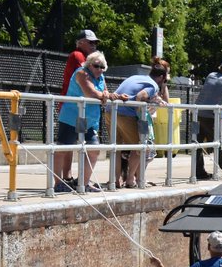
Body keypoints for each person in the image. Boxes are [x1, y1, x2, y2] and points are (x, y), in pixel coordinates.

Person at [56, 51, 125, 193]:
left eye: (102, 67)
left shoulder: (101, 77)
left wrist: (108, 95)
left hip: (90, 119)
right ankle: (57, 183)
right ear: (89, 64)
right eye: (96, 66)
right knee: (62, 149)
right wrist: (109, 96)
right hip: (71, 116)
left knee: (94, 150)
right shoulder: (82, 73)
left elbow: (104, 92)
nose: (99, 70)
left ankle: (84, 183)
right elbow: (91, 93)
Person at [110, 60, 170, 188]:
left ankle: (115, 180)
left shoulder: (137, 77)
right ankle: (131, 180)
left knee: (115, 147)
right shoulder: (153, 85)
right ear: (162, 77)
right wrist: (140, 115)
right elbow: (140, 96)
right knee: (140, 147)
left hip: (110, 111)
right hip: (125, 113)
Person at [53, 29, 99, 187]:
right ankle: (64, 178)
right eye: (91, 42)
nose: (94, 45)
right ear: (80, 43)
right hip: (72, 107)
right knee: (66, 145)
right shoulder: (78, 55)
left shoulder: (87, 59)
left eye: (95, 42)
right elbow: (86, 75)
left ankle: (68, 177)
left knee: (72, 144)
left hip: (78, 108)